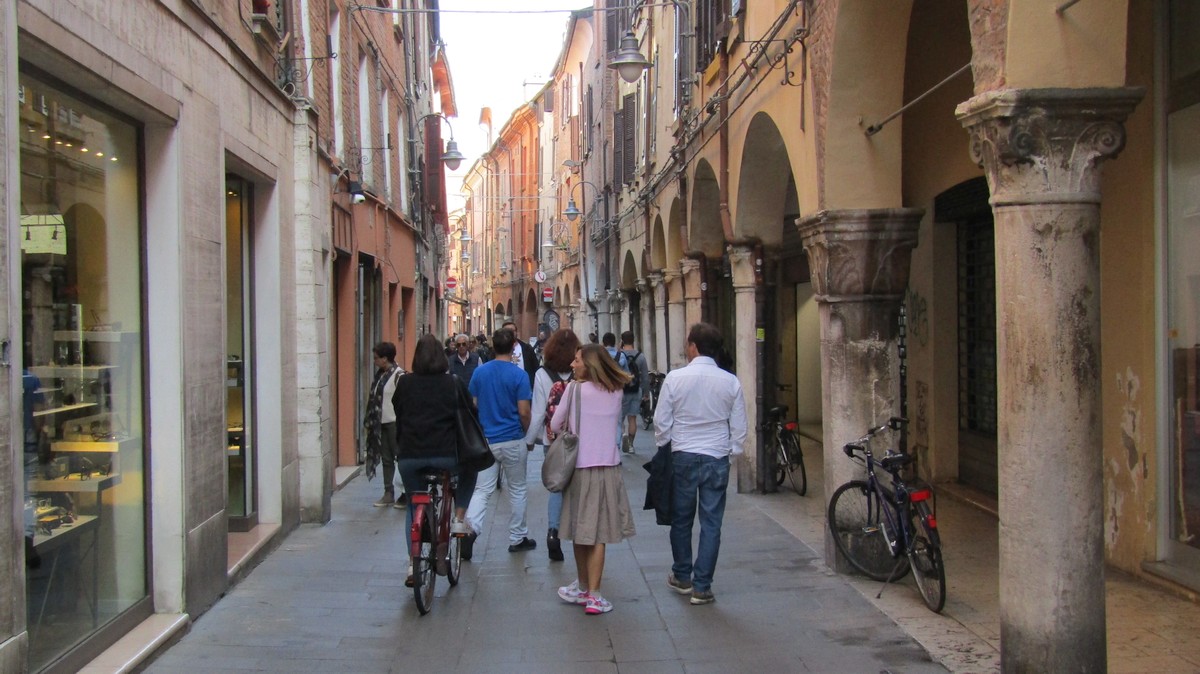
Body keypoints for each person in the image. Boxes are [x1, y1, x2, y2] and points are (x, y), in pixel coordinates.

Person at [654, 323, 747, 606]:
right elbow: (739, 426)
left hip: (683, 454)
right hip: (716, 455)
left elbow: (661, 421)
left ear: (693, 346)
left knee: (681, 519)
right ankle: (702, 586)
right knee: (711, 522)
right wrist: (730, 452)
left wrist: (666, 445)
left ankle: (682, 575)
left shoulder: (675, 378)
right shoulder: (730, 381)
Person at [551, 344, 636, 615]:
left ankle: (585, 587)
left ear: (589, 364)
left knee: (580, 529)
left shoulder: (573, 390)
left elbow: (555, 425)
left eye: (577, 360)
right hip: (608, 467)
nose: (572, 364)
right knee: (599, 532)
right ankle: (595, 596)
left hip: (578, 467)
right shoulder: (616, 391)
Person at [392, 334, 479, 586]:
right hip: (446, 455)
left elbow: (398, 411)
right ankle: (458, 518)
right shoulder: (453, 383)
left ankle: (413, 564)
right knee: (470, 469)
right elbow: (470, 412)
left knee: (413, 504)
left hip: (409, 455)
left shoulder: (404, 383)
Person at [464, 328, 535, 559]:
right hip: (513, 438)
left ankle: (471, 529)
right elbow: (524, 411)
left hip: (487, 440)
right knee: (517, 489)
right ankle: (518, 537)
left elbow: (474, 404)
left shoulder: (480, 372)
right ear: (514, 345)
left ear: (493, 346)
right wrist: (526, 432)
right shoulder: (519, 376)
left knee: (482, 489)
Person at [524, 328, 581, 562]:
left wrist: (529, 441)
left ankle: (553, 533)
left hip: (553, 440)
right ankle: (580, 533)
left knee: (556, 487)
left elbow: (538, 412)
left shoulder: (542, 374)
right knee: (578, 487)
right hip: (578, 439)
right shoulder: (581, 372)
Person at [364, 342, 406, 507]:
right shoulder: (380, 376)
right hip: (380, 423)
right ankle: (388, 492)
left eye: (376, 358)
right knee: (387, 460)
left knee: (400, 458)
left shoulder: (398, 376)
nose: (374, 361)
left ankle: (405, 493)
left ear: (385, 358)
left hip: (395, 423)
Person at [618, 330, 649, 454]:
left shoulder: (619, 356)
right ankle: (631, 445)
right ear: (633, 340)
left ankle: (623, 435)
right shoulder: (640, 356)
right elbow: (645, 377)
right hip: (636, 390)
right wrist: (646, 393)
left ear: (622, 341)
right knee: (632, 418)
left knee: (620, 418)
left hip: (621, 391)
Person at [503, 320, 540, 386]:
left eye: (512, 330)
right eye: (507, 331)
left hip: (525, 386)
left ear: (516, 332)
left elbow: (535, 367)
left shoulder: (527, 348)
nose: (510, 333)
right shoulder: (498, 350)